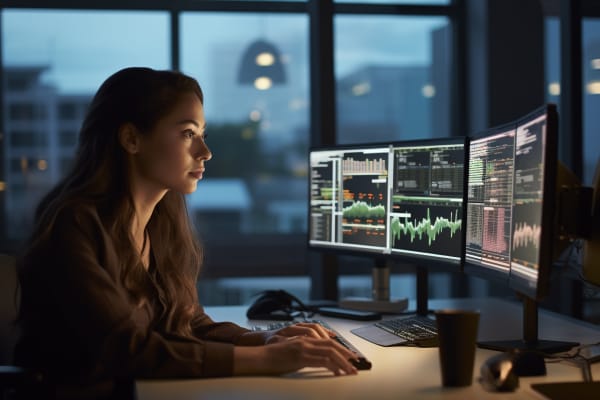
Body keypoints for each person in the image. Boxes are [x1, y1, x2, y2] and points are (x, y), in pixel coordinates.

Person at [14, 67, 358, 390]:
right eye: (187, 134)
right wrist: (265, 358)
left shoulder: (160, 223)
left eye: (202, 135)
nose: (205, 152)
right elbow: (124, 349)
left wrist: (265, 338)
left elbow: (187, 321)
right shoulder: (73, 225)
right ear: (132, 139)